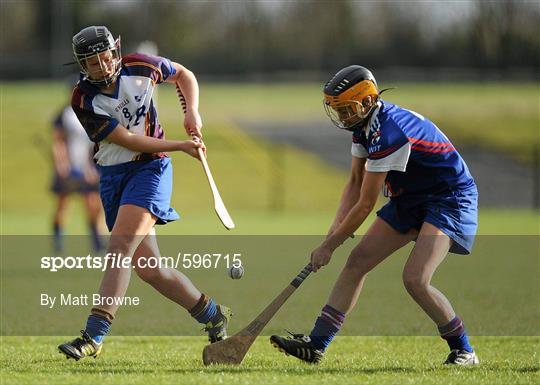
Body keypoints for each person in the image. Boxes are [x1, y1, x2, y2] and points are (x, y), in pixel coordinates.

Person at [270, 65, 479, 366]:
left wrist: (330, 246)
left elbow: (366, 203)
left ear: (366, 102)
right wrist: (334, 232)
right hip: (411, 198)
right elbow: (354, 183)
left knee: (415, 278)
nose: (342, 117)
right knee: (357, 262)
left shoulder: (389, 132)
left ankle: (464, 350)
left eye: (346, 109)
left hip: (448, 198)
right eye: (338, 110)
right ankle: (316, 345)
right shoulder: (364, 126)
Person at [58, 26, 232, 361]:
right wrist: (180, 145)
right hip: (113, 176)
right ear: (82, 64)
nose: (102, 65)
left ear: (116, 50)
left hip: (151, 169)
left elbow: (184, 75)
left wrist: (191, 112)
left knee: (120, 246)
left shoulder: (141, 65)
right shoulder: (83, 99)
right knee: (151, 269)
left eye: (105, 56)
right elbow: (127, 140)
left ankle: (93, 336)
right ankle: (213, 315)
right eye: (92, 61)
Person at [51, 102, 104, 252]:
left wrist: (92, 167)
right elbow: (58, 141)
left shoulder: (93, 112)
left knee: (93, 204)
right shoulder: (64, 114)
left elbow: (95, 143)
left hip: (87, 168)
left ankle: (98, 243)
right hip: (68, 167)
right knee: (63, 204)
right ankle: (58, 243)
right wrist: (61, 164)